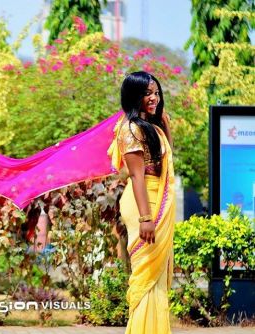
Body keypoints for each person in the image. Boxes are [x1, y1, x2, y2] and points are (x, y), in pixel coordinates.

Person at [110, 71, 175, 333]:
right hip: (143, 202)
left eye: (156, 92)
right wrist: (146, 219)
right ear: (134, 96)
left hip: (157, 196)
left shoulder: (152, 127)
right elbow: (137, 176)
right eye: (147, 93)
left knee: (157, 276)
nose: (154, 98)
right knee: (147, 273)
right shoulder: (131, 129)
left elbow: (165, 161)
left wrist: (166, 126)